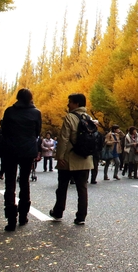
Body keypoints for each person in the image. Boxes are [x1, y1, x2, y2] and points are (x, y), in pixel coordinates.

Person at [49, 93, 94, 225]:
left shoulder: (70, 117)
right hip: (85, 158)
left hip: (69, 158)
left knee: (62, 186)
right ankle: (81, 216)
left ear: (77, 104)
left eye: (70, 102)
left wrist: (59, 156)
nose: (68, 104)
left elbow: (63, 138)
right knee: (82, 188)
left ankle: (58, 211)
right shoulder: (89, 118)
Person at [1, 88, 42, 231]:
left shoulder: (9, 111)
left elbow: (4, 130)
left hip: (11, 149)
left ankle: (11, 219)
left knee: (10, 183)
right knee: (24, 182)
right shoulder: (36, 113)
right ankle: (23, 215)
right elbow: (38, 132)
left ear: (17, 97)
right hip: (28, 150)